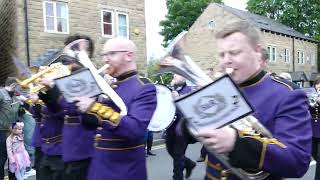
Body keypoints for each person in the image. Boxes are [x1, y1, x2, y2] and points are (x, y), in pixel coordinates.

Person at [191, 21, 312, 179]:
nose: (225, 60)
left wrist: (236, 143)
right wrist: (191, 117)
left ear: (257, 52)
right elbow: (184, 136)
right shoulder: (220, 90)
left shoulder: (287, 94)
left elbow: (297, 161)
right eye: (222, 55)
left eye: (234, 53)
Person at [72, 38, 157, 180]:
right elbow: (90, 125)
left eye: (111, 54)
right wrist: (84, 106)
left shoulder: (144, 88)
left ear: (128, 56)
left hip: (124, 171)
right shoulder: (108, 87)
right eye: (103, 55)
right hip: (98, 167)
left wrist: (95, 107)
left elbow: (135, 130)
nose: (105, 60)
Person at [165, 74, 196, 180]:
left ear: (184, 77)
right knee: (170, 151)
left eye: (177, 75)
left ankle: (177, 177)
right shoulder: (169, 90)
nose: (174, 77)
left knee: (178, 155)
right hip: (170, 126)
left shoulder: (190, 90)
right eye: (173, 75)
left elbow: (190, 110)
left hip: (182, 128)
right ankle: (189, 163)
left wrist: (177, 98)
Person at [0, 77, 23, 180]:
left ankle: (12, 177)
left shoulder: (15, 97)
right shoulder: (1, 93)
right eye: (17, 86)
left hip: (12, 131)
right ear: (13, 85)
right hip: (2, 130)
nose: (18, 88)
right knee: (3, 155)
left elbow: (18, 112)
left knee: (13, 155)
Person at [310, 77, 320, 180]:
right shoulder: (310, 95)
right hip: (312, 130)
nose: (318, 86)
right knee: (312, 155)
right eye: (317, 84)